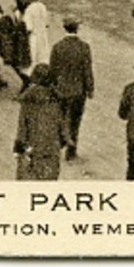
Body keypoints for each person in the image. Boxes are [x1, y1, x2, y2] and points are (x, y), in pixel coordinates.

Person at [48, 18, 95, 161]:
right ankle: (71, 152)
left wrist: (52, 87)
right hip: (78, 91)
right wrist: (90, 88)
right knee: (75, 122)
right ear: (77, 29)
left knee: (60, 119)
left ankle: (57, 146)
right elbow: (87, 70)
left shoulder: (57, 47)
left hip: (60, 90)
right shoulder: (84, 47)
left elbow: (53, 70)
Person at [14, 63, 66, 180]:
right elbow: (62, 126)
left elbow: (23, 126)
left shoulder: (29, 100)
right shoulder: (56, 100)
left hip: (32, 148)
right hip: (52, 148)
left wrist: (18, 147)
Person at [20, 0, 52, 86]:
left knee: (31, 62)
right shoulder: (42, 6)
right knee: (43, 59)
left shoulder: (29, 9)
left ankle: (30, 85)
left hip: (33, 38)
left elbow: (28, 28)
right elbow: (47, 23)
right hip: (43, 36)